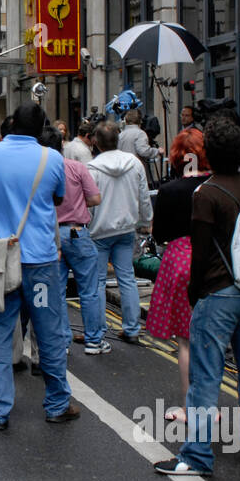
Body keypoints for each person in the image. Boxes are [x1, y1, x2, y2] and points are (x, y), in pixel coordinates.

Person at [154, 116, 240, 476]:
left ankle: (196, 456)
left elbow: (202, 254)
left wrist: (195, 294)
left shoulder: (205, 194)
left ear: (208, 153)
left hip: (218, 295)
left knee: (206, 376)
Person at [0, 102, 77, 429]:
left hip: (0, 261)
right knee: (48, 332)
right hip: (40, 264)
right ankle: (57, 403)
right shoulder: (53, 159)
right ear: (41, 128)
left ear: (11, 124)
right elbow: (58, 199)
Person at [147, 129, 211, 422]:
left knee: (185, 341)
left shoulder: (170, 191)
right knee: (210, 339)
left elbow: (158, 235)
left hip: (181, 260)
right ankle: (209, 406)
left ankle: (190, 408)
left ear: (176, 157)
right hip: (216, 261)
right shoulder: (216, 186)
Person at [40, 126, 106, 354]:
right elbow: (95, 198)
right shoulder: (76, 168)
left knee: (56, 292)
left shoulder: (39, 172)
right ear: (62, 145)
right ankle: (94, 341)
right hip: (77, 232)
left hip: (51, 235)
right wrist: (78, 204)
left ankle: (63, 341)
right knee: (89, 290)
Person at [87, 121, 153, 345]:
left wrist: (88, 226)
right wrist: (146, 221)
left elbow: (88, 205)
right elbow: (143, 196)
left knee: (97, 282)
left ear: (95, 142)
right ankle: (132, 328)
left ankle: (97, 330)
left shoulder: (92, 168)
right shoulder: (133, 163)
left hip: (99, 232)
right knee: (127, 278)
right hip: (126, 229)